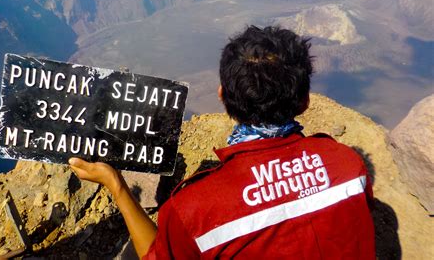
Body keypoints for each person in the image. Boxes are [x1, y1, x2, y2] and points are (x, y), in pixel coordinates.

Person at [69, 25, 375, 259]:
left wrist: (117, 186)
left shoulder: (194, 210)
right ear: (306, 100)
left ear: (221, 96)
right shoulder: (348, 165)